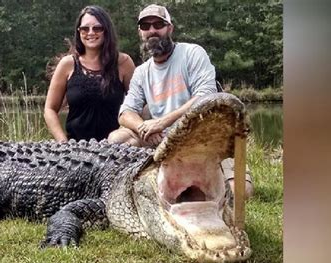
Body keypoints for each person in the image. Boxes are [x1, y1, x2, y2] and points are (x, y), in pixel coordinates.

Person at [108, 4, 253, 198]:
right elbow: (125, 113)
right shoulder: (142, 72)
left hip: (204, 139)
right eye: (145, 26)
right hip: (162, 143)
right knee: (117, 139)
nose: (152, 30)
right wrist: (144, 127)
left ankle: (208, 180)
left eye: (158, 24)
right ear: (140, 32)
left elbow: (207, 97)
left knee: (240, 192)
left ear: (170, 28)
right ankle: (136, 187)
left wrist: (162, 122)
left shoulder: (192, 53)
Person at [44, 5, 135, 142]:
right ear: (78, 32)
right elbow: (50, 109)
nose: (90, 32)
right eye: (85, 28)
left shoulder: (124, 63)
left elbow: (138, 104)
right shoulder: (67, 64)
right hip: (75, 149)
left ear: (106, 31)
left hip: (116, 147)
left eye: (97, 28)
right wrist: (62, 142)